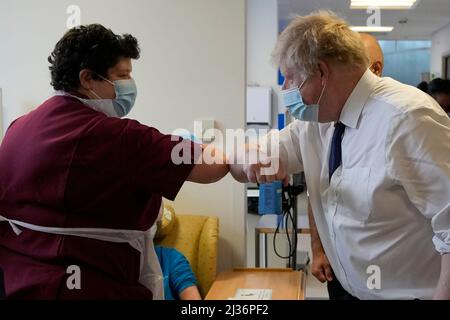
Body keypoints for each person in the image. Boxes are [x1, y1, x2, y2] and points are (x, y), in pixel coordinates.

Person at [231, 11, 450, 299]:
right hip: (346, 290)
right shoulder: (316, 123)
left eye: (290, 77)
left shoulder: (406, 118)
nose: (284, 89)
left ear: (321, 72)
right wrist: (249, 158)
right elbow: (248, 159)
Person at [0, 24, 229, 299]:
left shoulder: (16, 130)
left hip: (20, 286)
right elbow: (211, 168)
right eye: (121, 76)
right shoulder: (119, 137)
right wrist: (245, 150)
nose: (128, 87)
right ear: (87, 78)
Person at [307, 30, 386, 300]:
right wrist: (318, 249)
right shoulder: (327, 122)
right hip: (341, 275)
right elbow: (318, 189)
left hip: (387, 282)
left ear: (375, 69)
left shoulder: (395, 122)